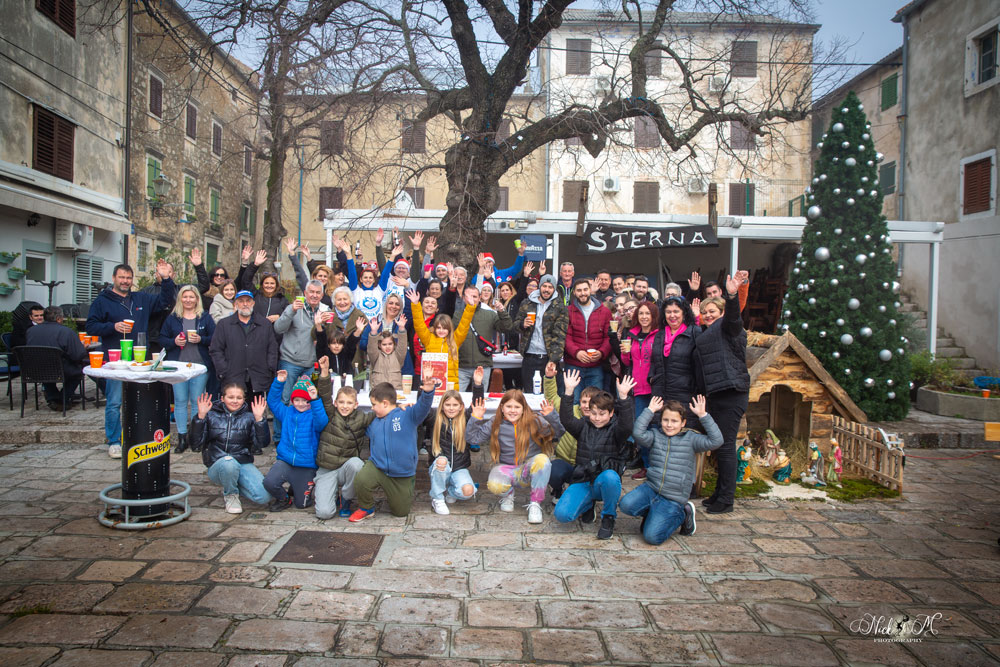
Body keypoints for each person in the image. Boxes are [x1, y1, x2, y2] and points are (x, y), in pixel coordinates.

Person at [86, 260, 176, 458]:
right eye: (122, 277)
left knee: (140, 400)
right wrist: (113, 327)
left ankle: (139, 436)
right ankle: (114, 442)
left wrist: (166, 279)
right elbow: (91, 326)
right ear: (114, 278)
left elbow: (165, 301)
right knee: (114, 402)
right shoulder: (102, 301)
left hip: (139, 360)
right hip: (115, 361)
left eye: (128, 278)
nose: (125, 281)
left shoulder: (141, 298)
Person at [619, 395, 723, 544]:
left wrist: (703, 415)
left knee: (652, 537)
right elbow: (638, 433)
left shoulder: (691, 439)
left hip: (673, 497)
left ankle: (683, 514)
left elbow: (716, 441)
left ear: (683, 423)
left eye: (674, 421)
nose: (669, 425)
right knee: (626, 505)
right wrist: (650, 410)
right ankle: (652, 514)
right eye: (665, 420)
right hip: (652, 489)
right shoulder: (655, 435)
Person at [554, 370, 636, 539]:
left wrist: (623, 398)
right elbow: (566, 419)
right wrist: (569, 391)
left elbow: (627, 425)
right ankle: (587, 504)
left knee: (611, 477)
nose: (597, 418)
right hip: (583, 479)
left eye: (602, 414)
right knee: (562, 515)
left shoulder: (616, 430)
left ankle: (608, 516)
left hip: (603, 482)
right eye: (593, 413)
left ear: (611, 413)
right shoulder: (583, 425)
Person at [692, 274, 750, 515]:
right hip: (715, 393)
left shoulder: (728, 327)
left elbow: (734, 318)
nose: (708, 315)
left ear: (722, 312)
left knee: (725, 446)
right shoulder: (707, 332)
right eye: (705, 312)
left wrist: (732, 295)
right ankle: (719, 492)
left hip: (730, 392)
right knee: (719, 446)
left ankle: (726, 499)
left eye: (712, 311)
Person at [466, 389, 564, 524]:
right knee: (494, 484)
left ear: (523, 408)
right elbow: (473, 439)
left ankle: (535, 504)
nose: (512, 410)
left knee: (543, 460)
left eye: (517, 407)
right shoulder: (496, 422)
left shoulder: (535, 420)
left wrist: (552, 417)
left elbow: (558, 433)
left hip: (529, 469)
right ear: (502, 408)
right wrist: (475, 418)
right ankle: (508, 494)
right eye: (509, 406)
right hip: (508, 469)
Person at [349, 375, 437, 521]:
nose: (371, 408)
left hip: (401, 473)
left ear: (385, 403)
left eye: (374, 404)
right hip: (377, 467)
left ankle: (395, 495)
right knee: (361, 480)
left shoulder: (406, 414)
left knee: (400, 512)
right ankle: (366, 508)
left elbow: (422, 408)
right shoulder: (373, 421)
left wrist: (428, 393)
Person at [190, 387, 271, 513]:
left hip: (242, 462)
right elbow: (195, 444)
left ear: (244, 400)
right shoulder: (211, 415)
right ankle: (231, 495)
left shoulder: (249, 417)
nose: (235, 401)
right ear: (222, 398)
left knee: (264, 497)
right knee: (229, 462)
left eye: (239, 398)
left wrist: (259, 420)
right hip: (218, 463)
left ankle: (233, 484)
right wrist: (200, 417)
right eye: (231, 397)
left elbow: (262, 444)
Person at [313, 356, 375, 519]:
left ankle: (346, 499)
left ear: (356, 405)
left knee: (357, 464)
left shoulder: (361, 417)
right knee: (324, 513)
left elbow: (379, 412)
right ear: (336, 403)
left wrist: (399, 408)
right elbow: (324, 394)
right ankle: (331, 493)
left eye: (349, 403)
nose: (345, 406)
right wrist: (324, 372)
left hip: (346, 467)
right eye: (341, 402)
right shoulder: (330, 413)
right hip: (327, 468)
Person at [646, 295, 700, 477]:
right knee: (661, 434)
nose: (672, 315)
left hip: (685, 393)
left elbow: (698, 364)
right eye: (668, 312)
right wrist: (652, 377)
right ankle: (661, 477)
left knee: (682, 437)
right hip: (661, 391)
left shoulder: (694, 333)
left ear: (684, 313)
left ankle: (683, 479)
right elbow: (654, 360)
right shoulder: (660, 334)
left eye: (676, 311)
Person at [159, 285, 216, 452]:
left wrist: (201, 339)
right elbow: (162, 339)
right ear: (180, 299)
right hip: (178, 367)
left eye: (191, 297)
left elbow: (215, 338)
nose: (188, 300)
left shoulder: (205, 317)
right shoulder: (173, 318)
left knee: (197, 401)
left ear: (197, 299)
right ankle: (182, 438)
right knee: (180, 401)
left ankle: (195, 437)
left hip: (199, 366)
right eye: (185, 297)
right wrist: (174, 342)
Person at [264, 369, 329, 511]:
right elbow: (273, 402)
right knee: (269, 482)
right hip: (286, 461)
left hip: (306, 465)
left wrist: (315, 400)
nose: (301, 404)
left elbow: (322, 422)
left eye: (306, 401)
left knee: (301, 504)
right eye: (297, 400)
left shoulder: (313, 415)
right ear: (292, 400)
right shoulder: (287, 412)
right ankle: (284, 499)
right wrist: (279, 382)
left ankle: (297, 485)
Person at [273, 279, 329, 436]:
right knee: (285, 399)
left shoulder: (325, 311)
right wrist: (291, 311)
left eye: (318, 293)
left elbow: (328, 339)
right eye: (311, 292)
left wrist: (324, 325)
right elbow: (278, 328)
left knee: (311, 399)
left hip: (312, 363)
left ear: (322, 295)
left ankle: (306, 435)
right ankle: (279, 436)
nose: (314, 295)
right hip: (290, 361)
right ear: (305, 293)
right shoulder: (294, 308)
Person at [426, 367, 485, 515]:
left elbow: (477, 405)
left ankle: (451, 491)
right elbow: (422, 407)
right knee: (442, 461)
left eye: (455, 405)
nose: (451, 408)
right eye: (447, 405)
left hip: (459, 467)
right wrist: (426, 386)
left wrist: (477, 385)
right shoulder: (435, 418)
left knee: (468, 491)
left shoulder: (465, 419)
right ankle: (437, 498)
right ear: (442, 406)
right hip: (440, 465)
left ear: (461, 407)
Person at [542, 361, 601, 500]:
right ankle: (558, 490)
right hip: (564, 461)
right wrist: (549, 378)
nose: (587, 406)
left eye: (591, 402)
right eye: (584, 402)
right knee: (552, 471)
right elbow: (552, 398)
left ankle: (584, 495)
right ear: (579, 401)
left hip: (585, 467)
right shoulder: (571, 411)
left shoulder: (600, 421)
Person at [209, 290, 278, 405]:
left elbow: (272, 348)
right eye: (241, 301)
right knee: (233, 410)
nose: (245, 304)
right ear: (235, 304)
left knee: (256, 412)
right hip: (232, 376)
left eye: (248, 301)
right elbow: (216, 350)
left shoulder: (264, 324)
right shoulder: (224, 324)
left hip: (258, 377)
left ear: (253, 303)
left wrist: (270, 368)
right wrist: (224, 370)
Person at [619, 301, 662, 479]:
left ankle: (658, 467)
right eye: (641, 313)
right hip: (638, 388)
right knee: (641, 428)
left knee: (657, 428)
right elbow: (627, 362)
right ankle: (646, 465)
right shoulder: (632, 334)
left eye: (647, 314)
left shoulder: (659, 334)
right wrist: (624, 352)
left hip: (655, 387)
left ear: (654, 316)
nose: (644, 317)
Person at [408, 288, 475, 391]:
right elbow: (419, 325)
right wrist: (416, 304)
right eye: (438, 328)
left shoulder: (455, 340)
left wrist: (470, 307)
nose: (441, 331)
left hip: (450, 385)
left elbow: (464, 324)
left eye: (444, 328)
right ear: (435, 328)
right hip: (431, 383)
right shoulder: (428, 339)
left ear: (449, 329)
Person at [25, 306, 87, 411]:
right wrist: (82, 348)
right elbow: (77, 355)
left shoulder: (31, 331)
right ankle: (62, 398)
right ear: (58, 318)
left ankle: (53, 398)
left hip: (35, 370)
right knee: (78, 371)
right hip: (59, 370)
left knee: (46, 367)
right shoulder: (66, 332)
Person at [513, 274, 568, 391]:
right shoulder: (527, 303)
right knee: (529, 394)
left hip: (548, 357)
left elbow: (560, 336)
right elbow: (515, 325)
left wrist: (553, 360)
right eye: (544, 286)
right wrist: (522, 324)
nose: (547, 290)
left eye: (550, 287)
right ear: (540, 287)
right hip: (529, 357)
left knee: (549, 394)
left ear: (554, 289)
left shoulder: (559, 307)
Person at [454, 285, 512, 391]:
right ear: (463, 298)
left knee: (479, 397)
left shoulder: (490, 314)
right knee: (456, 398)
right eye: (469, 296)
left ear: (480, 297)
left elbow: (507, 327)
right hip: (461, 366)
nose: (472, 299)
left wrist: (502, 311)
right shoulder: (457, 315)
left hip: (483, 366)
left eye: (475, 296)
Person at [564, 278, 612, 402]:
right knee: (574, 402)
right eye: (579, 290)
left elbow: (608, 337)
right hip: (573, 365)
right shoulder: (567, 311)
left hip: (596, 366)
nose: (583, 293)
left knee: (596, 403)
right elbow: (566, 336)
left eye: (585, 289)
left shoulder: (605, 312)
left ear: (590, 290)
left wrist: (601, 352)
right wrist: (576, 352)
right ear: (574, 292)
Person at [236, 248, 290, 325]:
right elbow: (246, 281)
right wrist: (255, 265)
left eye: (272, 283)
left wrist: (279, 316)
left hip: (274, 331)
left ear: (276, 285)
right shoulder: (256, 295)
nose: (269, 286)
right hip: (256, 330)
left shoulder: (282, 299)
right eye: (266, 283)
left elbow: (289, 314)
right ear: (262, 284)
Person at [140, 261, 177, 353]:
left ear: (174, 274)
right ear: (156, 274)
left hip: (174, 339)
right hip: (153, 339)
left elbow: (203, 287)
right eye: (161, 271)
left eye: (168, 271)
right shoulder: (146, 292)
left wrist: (198, 266)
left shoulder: (180, 290)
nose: (164, 273)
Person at [315, 310, 363, 377]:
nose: (337, 346)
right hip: (327, 382)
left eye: (340, 344)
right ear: (328, 345)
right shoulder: (324, 355)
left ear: (343, 345)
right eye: (333, 343)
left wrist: (359, 330)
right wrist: (318, 325)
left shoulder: (347, 355)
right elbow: (321, 342)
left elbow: (351, 343)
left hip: (345, 382)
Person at [367, 317, 409, 391]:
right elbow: (371, 348)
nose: (387, 347)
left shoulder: (398, 356)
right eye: (384, 344)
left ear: (394, 344)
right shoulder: (376, 356)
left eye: (390, 344)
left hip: (395, 391)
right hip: (378, 391)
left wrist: (401, 328)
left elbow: (402, 346)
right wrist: (374, 332)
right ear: (379, 345)